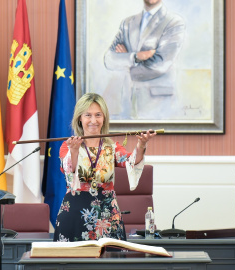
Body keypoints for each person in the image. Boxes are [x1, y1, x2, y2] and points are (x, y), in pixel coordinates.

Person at [53, 93, 156, 242]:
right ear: (80, 119)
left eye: (98, 115)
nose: (93, 121)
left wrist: (141, 145)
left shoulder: (112, 147)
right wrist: (74, 151)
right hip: (74, 216)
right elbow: (69, 171)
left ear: (104, 118)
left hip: (108, 218)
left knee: (109, 263)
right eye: (88, 115)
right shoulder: (67, 146)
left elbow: (132, 161)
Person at [104, 0, 185, 120]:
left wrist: (125, 60)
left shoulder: (174, 22)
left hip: (160, 107)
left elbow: (160, 65)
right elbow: (109, 59)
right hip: (128, 105)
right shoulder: (127, 23)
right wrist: (136, 56)